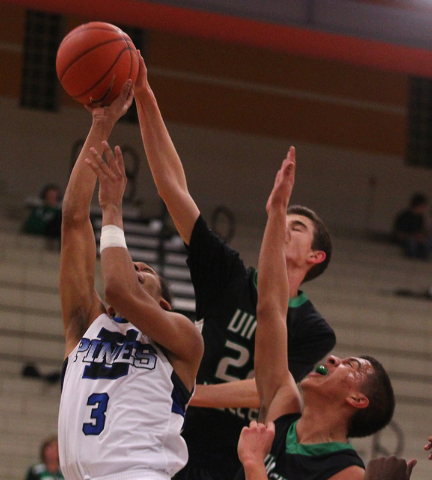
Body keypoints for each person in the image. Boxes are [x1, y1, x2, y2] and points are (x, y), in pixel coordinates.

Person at [134, 53, 336, 480]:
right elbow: (174, 190)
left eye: (297, 227)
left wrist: (189, 389)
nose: (286, 228)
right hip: (175, 443)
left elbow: (269, 390)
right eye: (283, 220)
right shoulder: (228, 275)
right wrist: (145, 95)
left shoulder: (314, 328)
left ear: (315, 257)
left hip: (237, 458)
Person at [58, 81, 203, 480]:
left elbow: (119, 288)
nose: (136, 267)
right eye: (134, 264)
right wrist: (101, 124)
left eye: (148, 272)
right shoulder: (88, 326)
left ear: (165, 307)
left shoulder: (183, 339)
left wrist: (112, 207)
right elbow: (72, 222)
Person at [236, 150, 395, 480]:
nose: (335, 358)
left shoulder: (347, 471)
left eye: (352, 366)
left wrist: (253, 466)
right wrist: (277, 212)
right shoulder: (283, 403)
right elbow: (270, 310)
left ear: (357, 398)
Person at [392, 192, 432, 259]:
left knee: (428, 241)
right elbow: (399, 233)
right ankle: (412, 257)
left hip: (416, 239)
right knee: (411, 242)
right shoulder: (404, 216)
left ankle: (423, 257)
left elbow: (421, 231)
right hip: (405, 239)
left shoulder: (420, 218)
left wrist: (422, 236)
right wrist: (413, 236)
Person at [23, 183, 62, 250]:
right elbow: (28, 201)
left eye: (54, 195)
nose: (51, 197)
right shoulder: (38, 206)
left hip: (51, 231)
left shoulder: (59, 210)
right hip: (38, 228)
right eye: (50, 195)